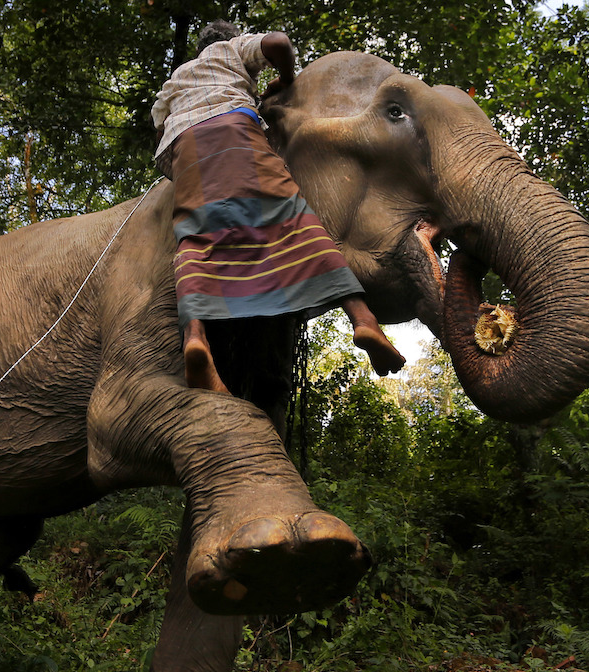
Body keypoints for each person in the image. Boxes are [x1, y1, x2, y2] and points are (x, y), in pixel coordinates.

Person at [152, 21, 405, 393]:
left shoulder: (178, 77)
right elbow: (278, 42)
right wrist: (286, 79)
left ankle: (195, 339)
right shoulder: (232, 50)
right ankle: (364, 319)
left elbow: (158, 129)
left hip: (184, 150)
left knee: (195, 239)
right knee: (291, 218)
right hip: (232, 130)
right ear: (228, 38)